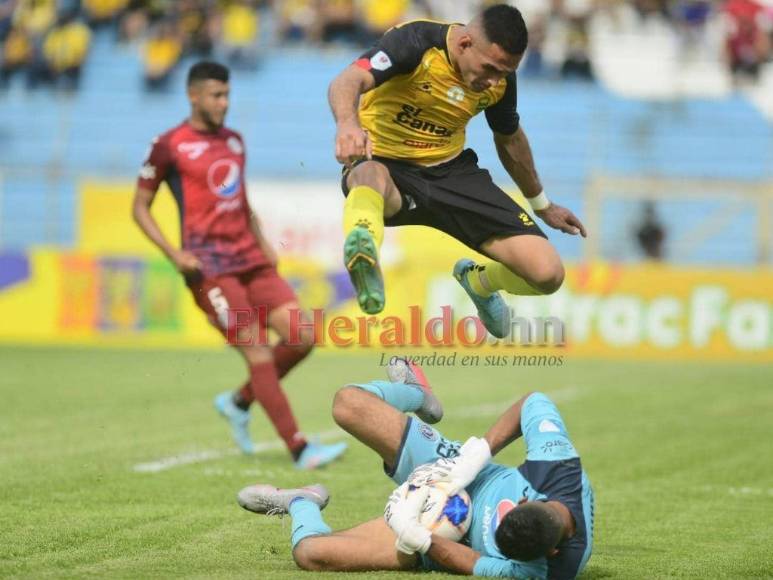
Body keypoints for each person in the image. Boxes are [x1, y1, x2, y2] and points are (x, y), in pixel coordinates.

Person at [132, 60, 347, 469]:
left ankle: (239, 401)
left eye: (227, 95)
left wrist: (264, 243)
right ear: (193, 96)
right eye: (216, 95)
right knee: (257, 350)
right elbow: (140, 208)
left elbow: (240, 199)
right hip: (210, 268)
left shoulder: (234, 141)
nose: (224, 103)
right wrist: (175, 255)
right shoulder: (169, 145)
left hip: (250, 258)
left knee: (302, 336)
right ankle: (300, 448)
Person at [329, 3, 587, 338]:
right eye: (490, 68)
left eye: (504, 73)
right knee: (366, 173)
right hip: (389, 168)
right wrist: (348, 124)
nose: (494, 80)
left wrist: (543, 205)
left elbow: (509, 138)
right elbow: (348, 80)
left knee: (548, 273)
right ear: (465, 43)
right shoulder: (415, 42)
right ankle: (364, 252)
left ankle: (479, 282)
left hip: (452, 173)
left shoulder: (500, 79)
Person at [237, 358, 594, 578]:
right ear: (528, 500)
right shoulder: (558, 470)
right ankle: (417, 393)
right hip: (458, 471)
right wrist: (475, 458)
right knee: (348, 403)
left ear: (552, 551)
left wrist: (419, 537)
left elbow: (474, 563)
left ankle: (303, 502)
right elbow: (533, 402)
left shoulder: (549, 571)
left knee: (311, 555)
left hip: (443, 533)